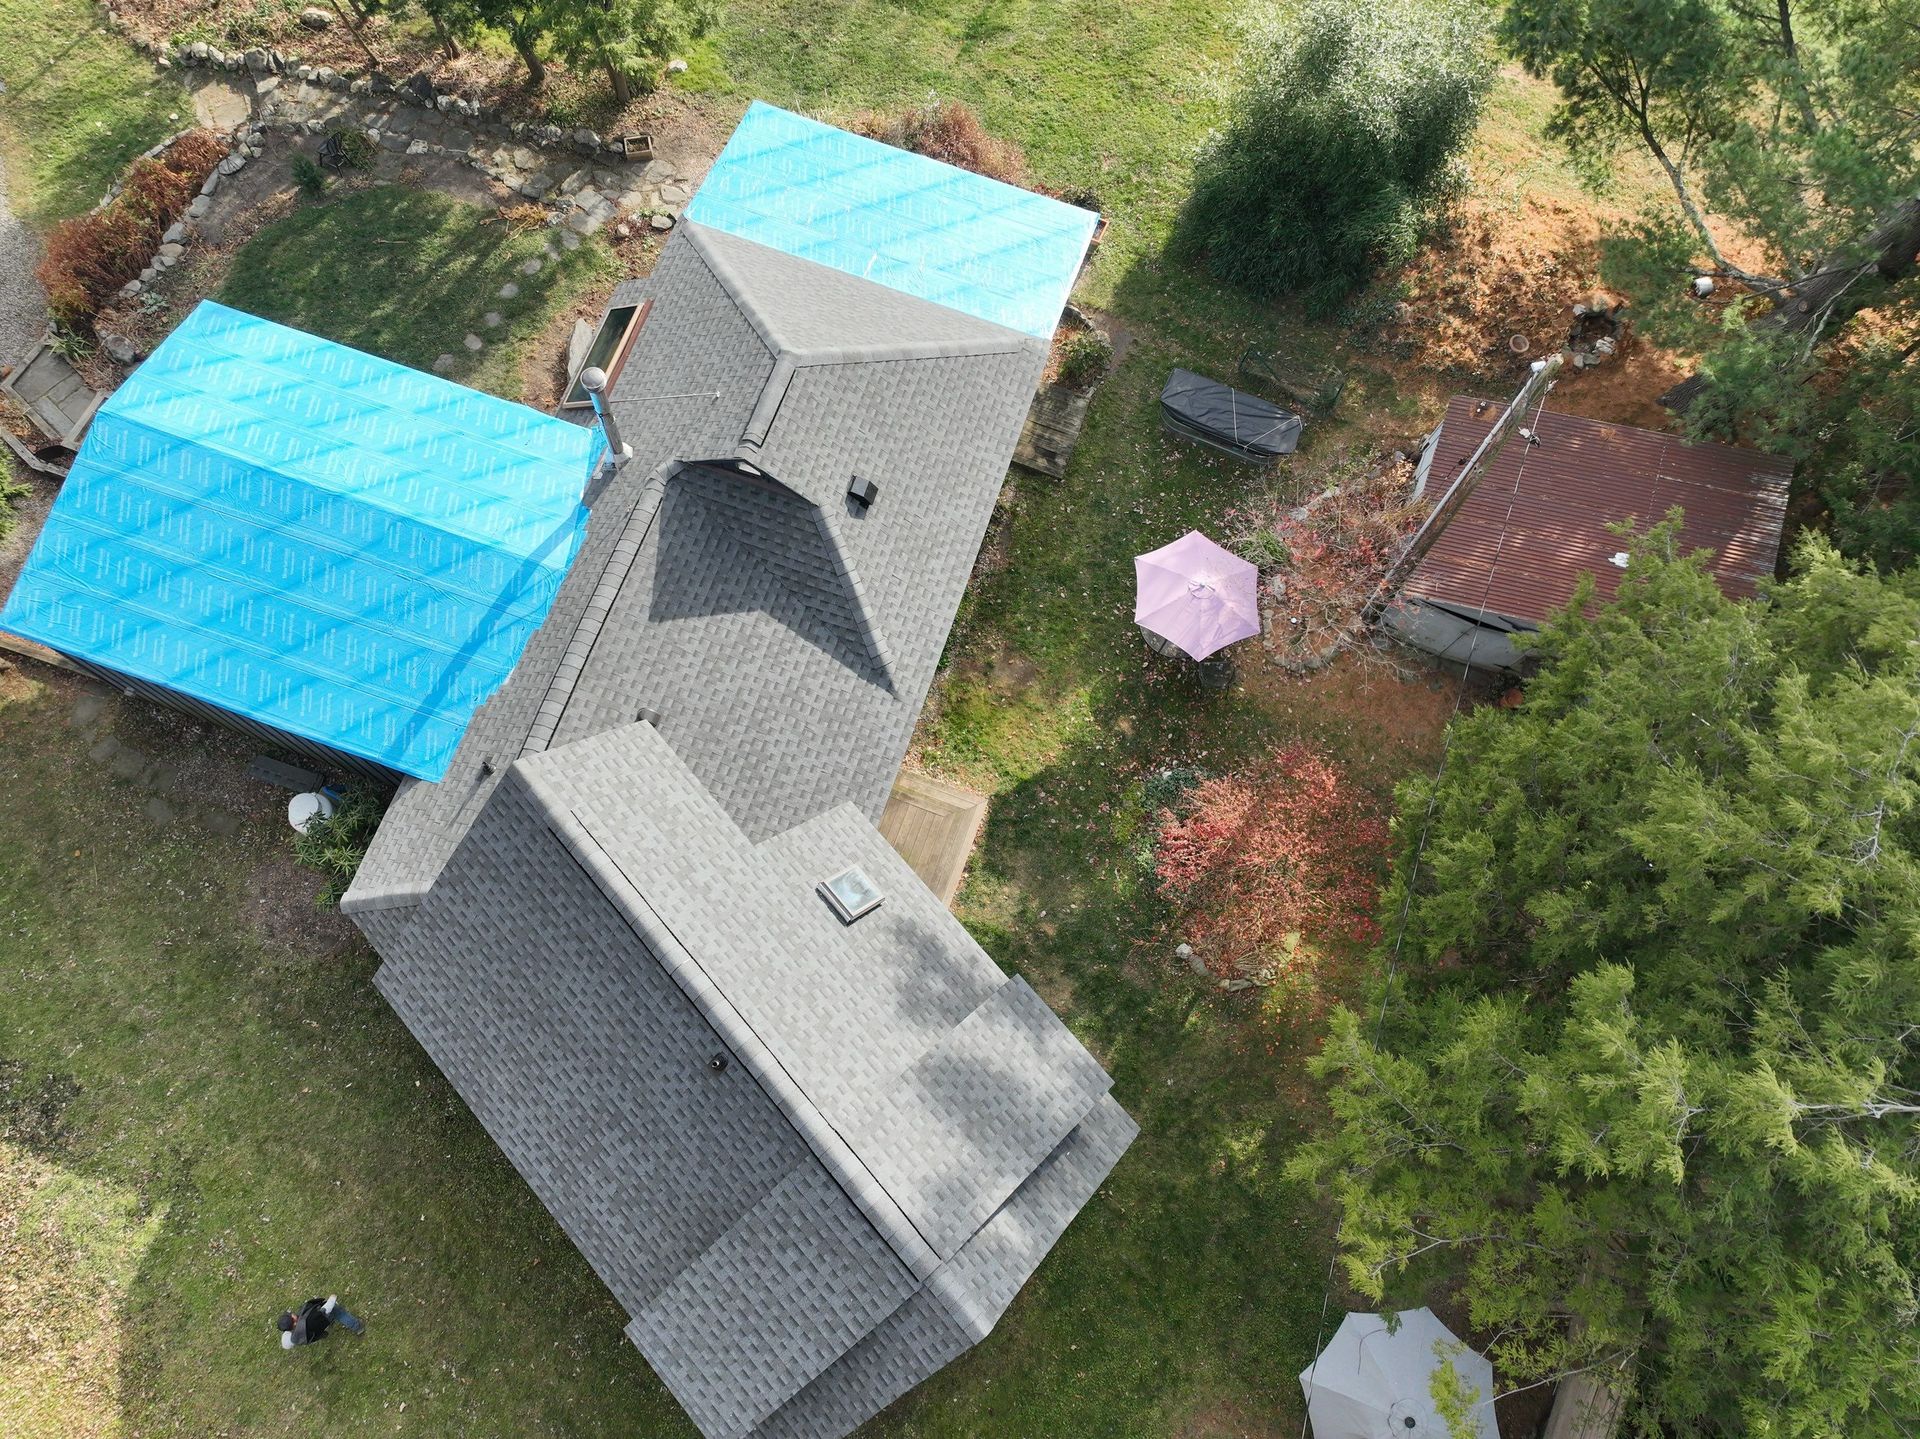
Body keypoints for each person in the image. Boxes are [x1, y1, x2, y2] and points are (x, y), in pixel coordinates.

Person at [277, 1294, 365, 1349]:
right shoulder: (309, 1320)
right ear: (294, 1322)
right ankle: (357, 1327)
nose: (292, 1313)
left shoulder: (295, 1337)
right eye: (291, 1316)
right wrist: (332, 1299)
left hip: (318, 1328)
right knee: (339, 1313)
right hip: (323, 1318)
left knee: (326, 1319)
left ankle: (331, 1321)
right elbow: (325, 1310)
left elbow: (286, 1343)